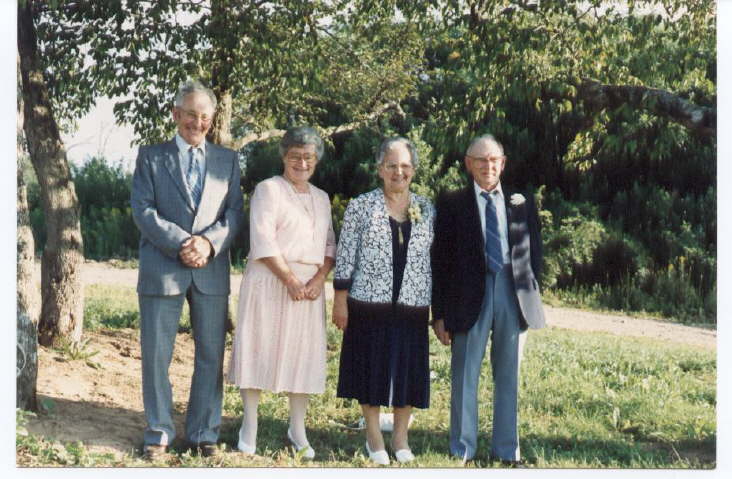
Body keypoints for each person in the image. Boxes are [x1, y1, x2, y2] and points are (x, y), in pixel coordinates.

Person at [131, 79, 244, 460]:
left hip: (210, 270)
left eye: (204, 117)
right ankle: (158, 433)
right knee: (157, 356)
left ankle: (203, 432)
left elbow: (233, 213)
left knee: (211, 355)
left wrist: (209, 243)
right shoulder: (150, 156)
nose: (197, 123)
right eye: (190, 115)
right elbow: (143, 210)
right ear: (176, 115)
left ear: (211, 119)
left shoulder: (228, 161)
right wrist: (184, 242)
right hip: (162, 268)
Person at [431, 134, 545, 465]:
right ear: (469, 164)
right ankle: (462, 450)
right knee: (465, 374)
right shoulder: (452, 204)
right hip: (469, 296)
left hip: (513, 292)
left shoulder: (521, 201)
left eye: (494, 159)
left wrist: (532, 292)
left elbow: (535, 253)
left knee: (508, 374)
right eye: (480, 160)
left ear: (503, 163)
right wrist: (439, 314)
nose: (488, 166)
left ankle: (507, 451)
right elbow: (440, 261)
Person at [227, 126, 336, 460]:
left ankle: (297, 429)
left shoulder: (322, 197)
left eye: (308, 157)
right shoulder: (268, 190)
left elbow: (330, 243)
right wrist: (289, 279)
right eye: (295, 156)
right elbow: (263, 239)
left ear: (316, 160)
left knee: (303, 357)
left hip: (309, 288)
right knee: (258, 347)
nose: (302, 163)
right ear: (284, 156)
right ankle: (250, 425)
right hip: (270, 280)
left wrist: (319, 278)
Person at [333, 137, 435, 466]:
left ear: (414, 170)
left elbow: (435, 260)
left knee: (408, 370)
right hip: (368, 304)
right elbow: (346, 255)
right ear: (380, 170)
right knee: (370, 369)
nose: (398, 172)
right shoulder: (362, 206)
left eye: (405, 166)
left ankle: (401, 437)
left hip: (412, 305)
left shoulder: (427, 208)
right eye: (391, 165)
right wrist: (340, 300)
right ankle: (374, 437)